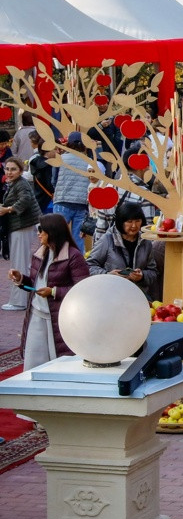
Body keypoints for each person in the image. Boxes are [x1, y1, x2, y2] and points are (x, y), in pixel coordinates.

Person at [10, 214, 89, 369]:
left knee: (60, 364)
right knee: (33, 364)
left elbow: (83, 290)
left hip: (59, 318)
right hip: (36, 315)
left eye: (42, 230)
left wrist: (54, 292)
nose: (38, 234)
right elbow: (36, 283)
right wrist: (20, 279)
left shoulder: (74, 256)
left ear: (52, 232)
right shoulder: (41, 253)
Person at [86, 201, 158, 300]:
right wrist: (108, 275)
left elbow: (153, 272)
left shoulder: (146, 242)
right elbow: (89, 265)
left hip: (138, 296)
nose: (134, 225)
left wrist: (142, 276)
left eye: (137, 221)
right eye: (129, 221)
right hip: (110, 296)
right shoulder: (107, 240)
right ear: (120, 222)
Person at [1, 157, 41, 311]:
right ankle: (21, 298)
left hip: (22, 226)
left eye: (13, 169)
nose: (9, 172)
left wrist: (8, 209)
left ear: (20, 171)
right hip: (20, 226)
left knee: (19, 263)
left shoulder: (21, 185)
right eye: (7, 169)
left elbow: (25, 200)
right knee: (21, 261)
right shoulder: (16, 184)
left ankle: (19, 301)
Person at [52, 134, 94, 252]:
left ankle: (57, 263)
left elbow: (53, 180)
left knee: (58, 237)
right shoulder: (89, 161)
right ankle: (78, 266)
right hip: (81, 203)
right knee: (78, 238)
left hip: (62, 200)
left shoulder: (60, 158)